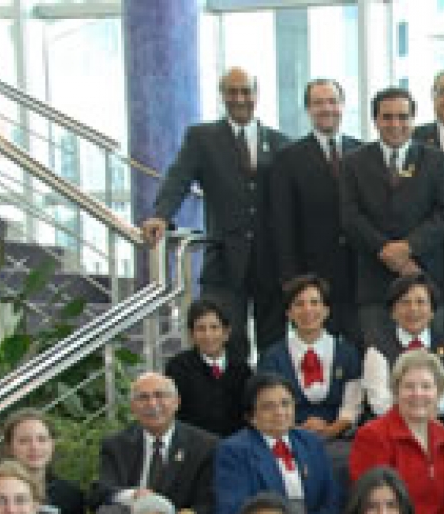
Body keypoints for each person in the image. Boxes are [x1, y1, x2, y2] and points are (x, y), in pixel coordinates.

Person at [141, 67, 289, 360]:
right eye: (232, 92)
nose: (240, 98)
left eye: (246, 91)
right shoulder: (202, 138)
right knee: (227, 343)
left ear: (256, 95)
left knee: (274, 343)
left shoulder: (281, 142)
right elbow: (178, 178)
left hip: (270, 261)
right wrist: (161, 214)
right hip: (224, 259)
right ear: (222, 96)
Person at [341, 87, 444, 346]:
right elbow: (350, 216)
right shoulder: (354, 163)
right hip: (374, 282)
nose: (395, 124)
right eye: (387, 117)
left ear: (413, 119)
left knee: (430, 368)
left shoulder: (437, 161)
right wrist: (384, 249)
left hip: (425, 278)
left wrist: (408, 248)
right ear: (376, 120)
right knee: (379, 363)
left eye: (403, 117)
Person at [204, 373, 345, 514]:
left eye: (285, 404)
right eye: (268, 406)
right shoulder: (233, 450)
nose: (280, 412)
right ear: (251, 415)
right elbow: (235, 511)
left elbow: (332, 500)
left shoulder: (311, 443)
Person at [348, 350, 444, 514]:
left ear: (439, 392)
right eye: (409, 386)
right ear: (396, 391)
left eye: (426, 387)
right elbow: (377, 504)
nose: (418, 394)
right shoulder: (373, 436)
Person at [270, 78, 362, 343]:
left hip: (359, 273)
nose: (327, 108)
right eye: (318, 103)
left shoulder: (364, 151)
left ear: (343, 106)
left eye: (332, 101)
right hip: (313, 275)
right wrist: (290, 277)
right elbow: (282, 221)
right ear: (308, 109)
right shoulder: (289, 158)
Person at [88, 373, 218, 514]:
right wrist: (133, 495)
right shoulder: (117, 445)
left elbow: (210, 499)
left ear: (176, 402)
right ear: (133, 406)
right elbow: (100, 492)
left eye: (160, 395)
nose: (152, 404)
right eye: (143, 397)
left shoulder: (205, 445)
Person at [256, 274, 363, 443]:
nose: (307, 310)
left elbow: (352, 406)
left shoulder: (347, 353)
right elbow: (267, 405)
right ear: (289, 313)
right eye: (299, 304)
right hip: (285, 437)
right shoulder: (272, 357)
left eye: (314, 302)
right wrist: (297, 430)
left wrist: (330, 430)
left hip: (340, 439)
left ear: (326, 310)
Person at [361, 272, 444, 429]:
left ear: (432, 311)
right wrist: (419, 413)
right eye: (405, 302)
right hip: (394, 430)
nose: (413, 309)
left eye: (421, 302)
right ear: (393, 311)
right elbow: (380, 403)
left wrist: (429, 410)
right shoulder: (377, 349)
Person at [164, 300, 252, 438]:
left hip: (234, 446)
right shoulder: (178, 367)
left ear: (226, 332)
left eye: (214, 327)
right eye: (201, 329)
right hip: (193, 447)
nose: (208, 335)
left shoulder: (242, 369)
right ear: (191, 334)